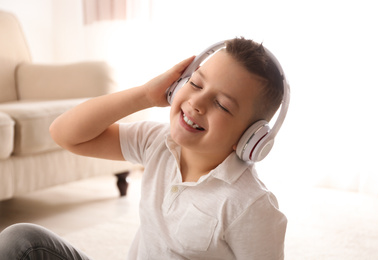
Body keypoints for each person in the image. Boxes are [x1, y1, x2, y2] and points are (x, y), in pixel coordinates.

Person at [0, 37, 287, 259]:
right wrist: (146, 95)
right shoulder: (157, 141)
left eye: (222, 105)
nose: (197, 103)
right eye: (196, 84)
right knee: (21, 241)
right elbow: (65, 134)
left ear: (251, 138)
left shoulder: (250, 206)